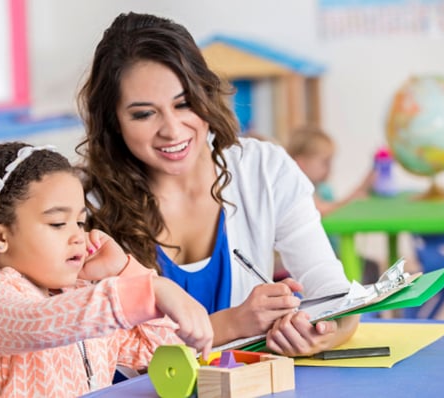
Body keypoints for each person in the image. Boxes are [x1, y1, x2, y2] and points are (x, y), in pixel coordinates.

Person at [75, 11, 359, 357]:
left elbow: (336, 297)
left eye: (184, 104)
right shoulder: (86, 208)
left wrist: (321, 334)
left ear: (205, 95)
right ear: (114, 121)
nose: (172, 130)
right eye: (144, 114)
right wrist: (232, 324)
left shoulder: (263, 170)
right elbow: (99, 352)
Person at [0, 142, 213, 397]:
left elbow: (159, 349)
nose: (79, 235)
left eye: (80, 222)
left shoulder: (80, 299)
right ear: (0, 238)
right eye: (57, 223)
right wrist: (149, 291)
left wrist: (125, 268)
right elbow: (39, 324)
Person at [286, 124, 376, 217]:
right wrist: (350, 200)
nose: (330, 167)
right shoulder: (297, 189)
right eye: (325, 162)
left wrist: (365, 184)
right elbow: (319, 210)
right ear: (301, 163)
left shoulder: (323, 189)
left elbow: (333, 207)